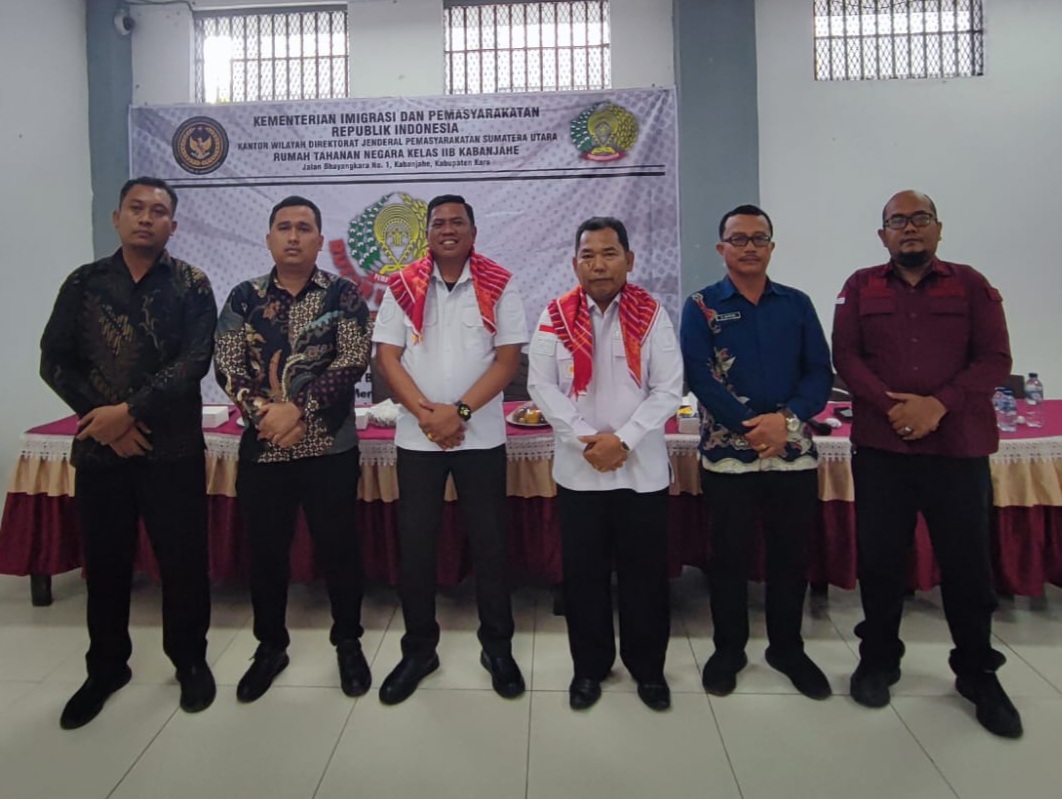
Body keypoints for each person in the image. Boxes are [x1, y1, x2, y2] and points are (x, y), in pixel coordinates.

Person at [832, 190, 1022, 738]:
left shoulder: (971, 285)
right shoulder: (859, 286)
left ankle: (977, 671)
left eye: (920, 219)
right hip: (883, 448)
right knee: (880, 562)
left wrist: (938, 405)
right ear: (883, 235)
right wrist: (894, 408)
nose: (909, 228)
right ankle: (878, 659)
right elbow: (845, 357)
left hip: (956, 447)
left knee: (967, 566)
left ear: (939, 228)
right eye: (898, 221)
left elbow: (995, 359)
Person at [40, 177, 217, 729]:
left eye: (158, 211)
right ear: (116, 217)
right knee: (106, 565)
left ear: (173, 225)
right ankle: (106, 668)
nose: (146, 218)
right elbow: (54, 361)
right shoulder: (84, 283)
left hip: (174, 450)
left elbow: (194, 362)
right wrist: (107, 420)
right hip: (101, 452)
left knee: (183, 564)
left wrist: (130, 411)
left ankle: (189, 661)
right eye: (136, 208)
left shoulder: (192, 284)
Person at [215, 196, 373, 702]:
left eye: (304, 227)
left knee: (340, 549)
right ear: (268, 238)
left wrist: (298, 410)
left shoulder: (343, 294)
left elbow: (353, 359)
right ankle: (270, 646)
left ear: (319, 239)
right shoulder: (244, 296)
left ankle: (348, 642)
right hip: (265, 449)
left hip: (329, 447)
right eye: (283, 227)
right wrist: (267, 415)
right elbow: (227, 365)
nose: (293, 235)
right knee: (266, 553)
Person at [372, 194, 528, 705]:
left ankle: (497, 647)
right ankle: (419, 650)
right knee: (416, 546)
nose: (447, 229)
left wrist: (457, 413)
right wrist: (427, 416)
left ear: (473, 231)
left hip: (479, 436)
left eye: (457, 221)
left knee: (491, 545)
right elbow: (388, 357)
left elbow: (507, 362)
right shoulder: (402, 284)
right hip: (418, 437)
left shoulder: (499, 283)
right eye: (438, 222)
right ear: (427, 233)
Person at [528, 216, 682, 711]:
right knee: (583, 578)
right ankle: (589, 668)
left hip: (641, 473)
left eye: (609, 253)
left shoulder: (653, 314)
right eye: (588, 255)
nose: (598, 264)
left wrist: (624, 441)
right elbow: (541, 386)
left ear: (629, 260)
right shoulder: (554, 316)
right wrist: (587, 440)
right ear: (575, 263)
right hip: (580, 471)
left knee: (645, 577)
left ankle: (648, 669)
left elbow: (668, 389)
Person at [680, 204, 833, 700]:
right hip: (729, 455)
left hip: (792, 451)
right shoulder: (701, 306)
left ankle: (788, 648)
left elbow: (819, 372)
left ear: (771, 246)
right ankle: (729, 650)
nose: (749, 247)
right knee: (728, 557)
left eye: (758, 238)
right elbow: (699, 376)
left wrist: (785, 422)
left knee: (791, 555)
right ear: (721, 247)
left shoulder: (797, 303)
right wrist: (751, 427)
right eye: (738, 238)